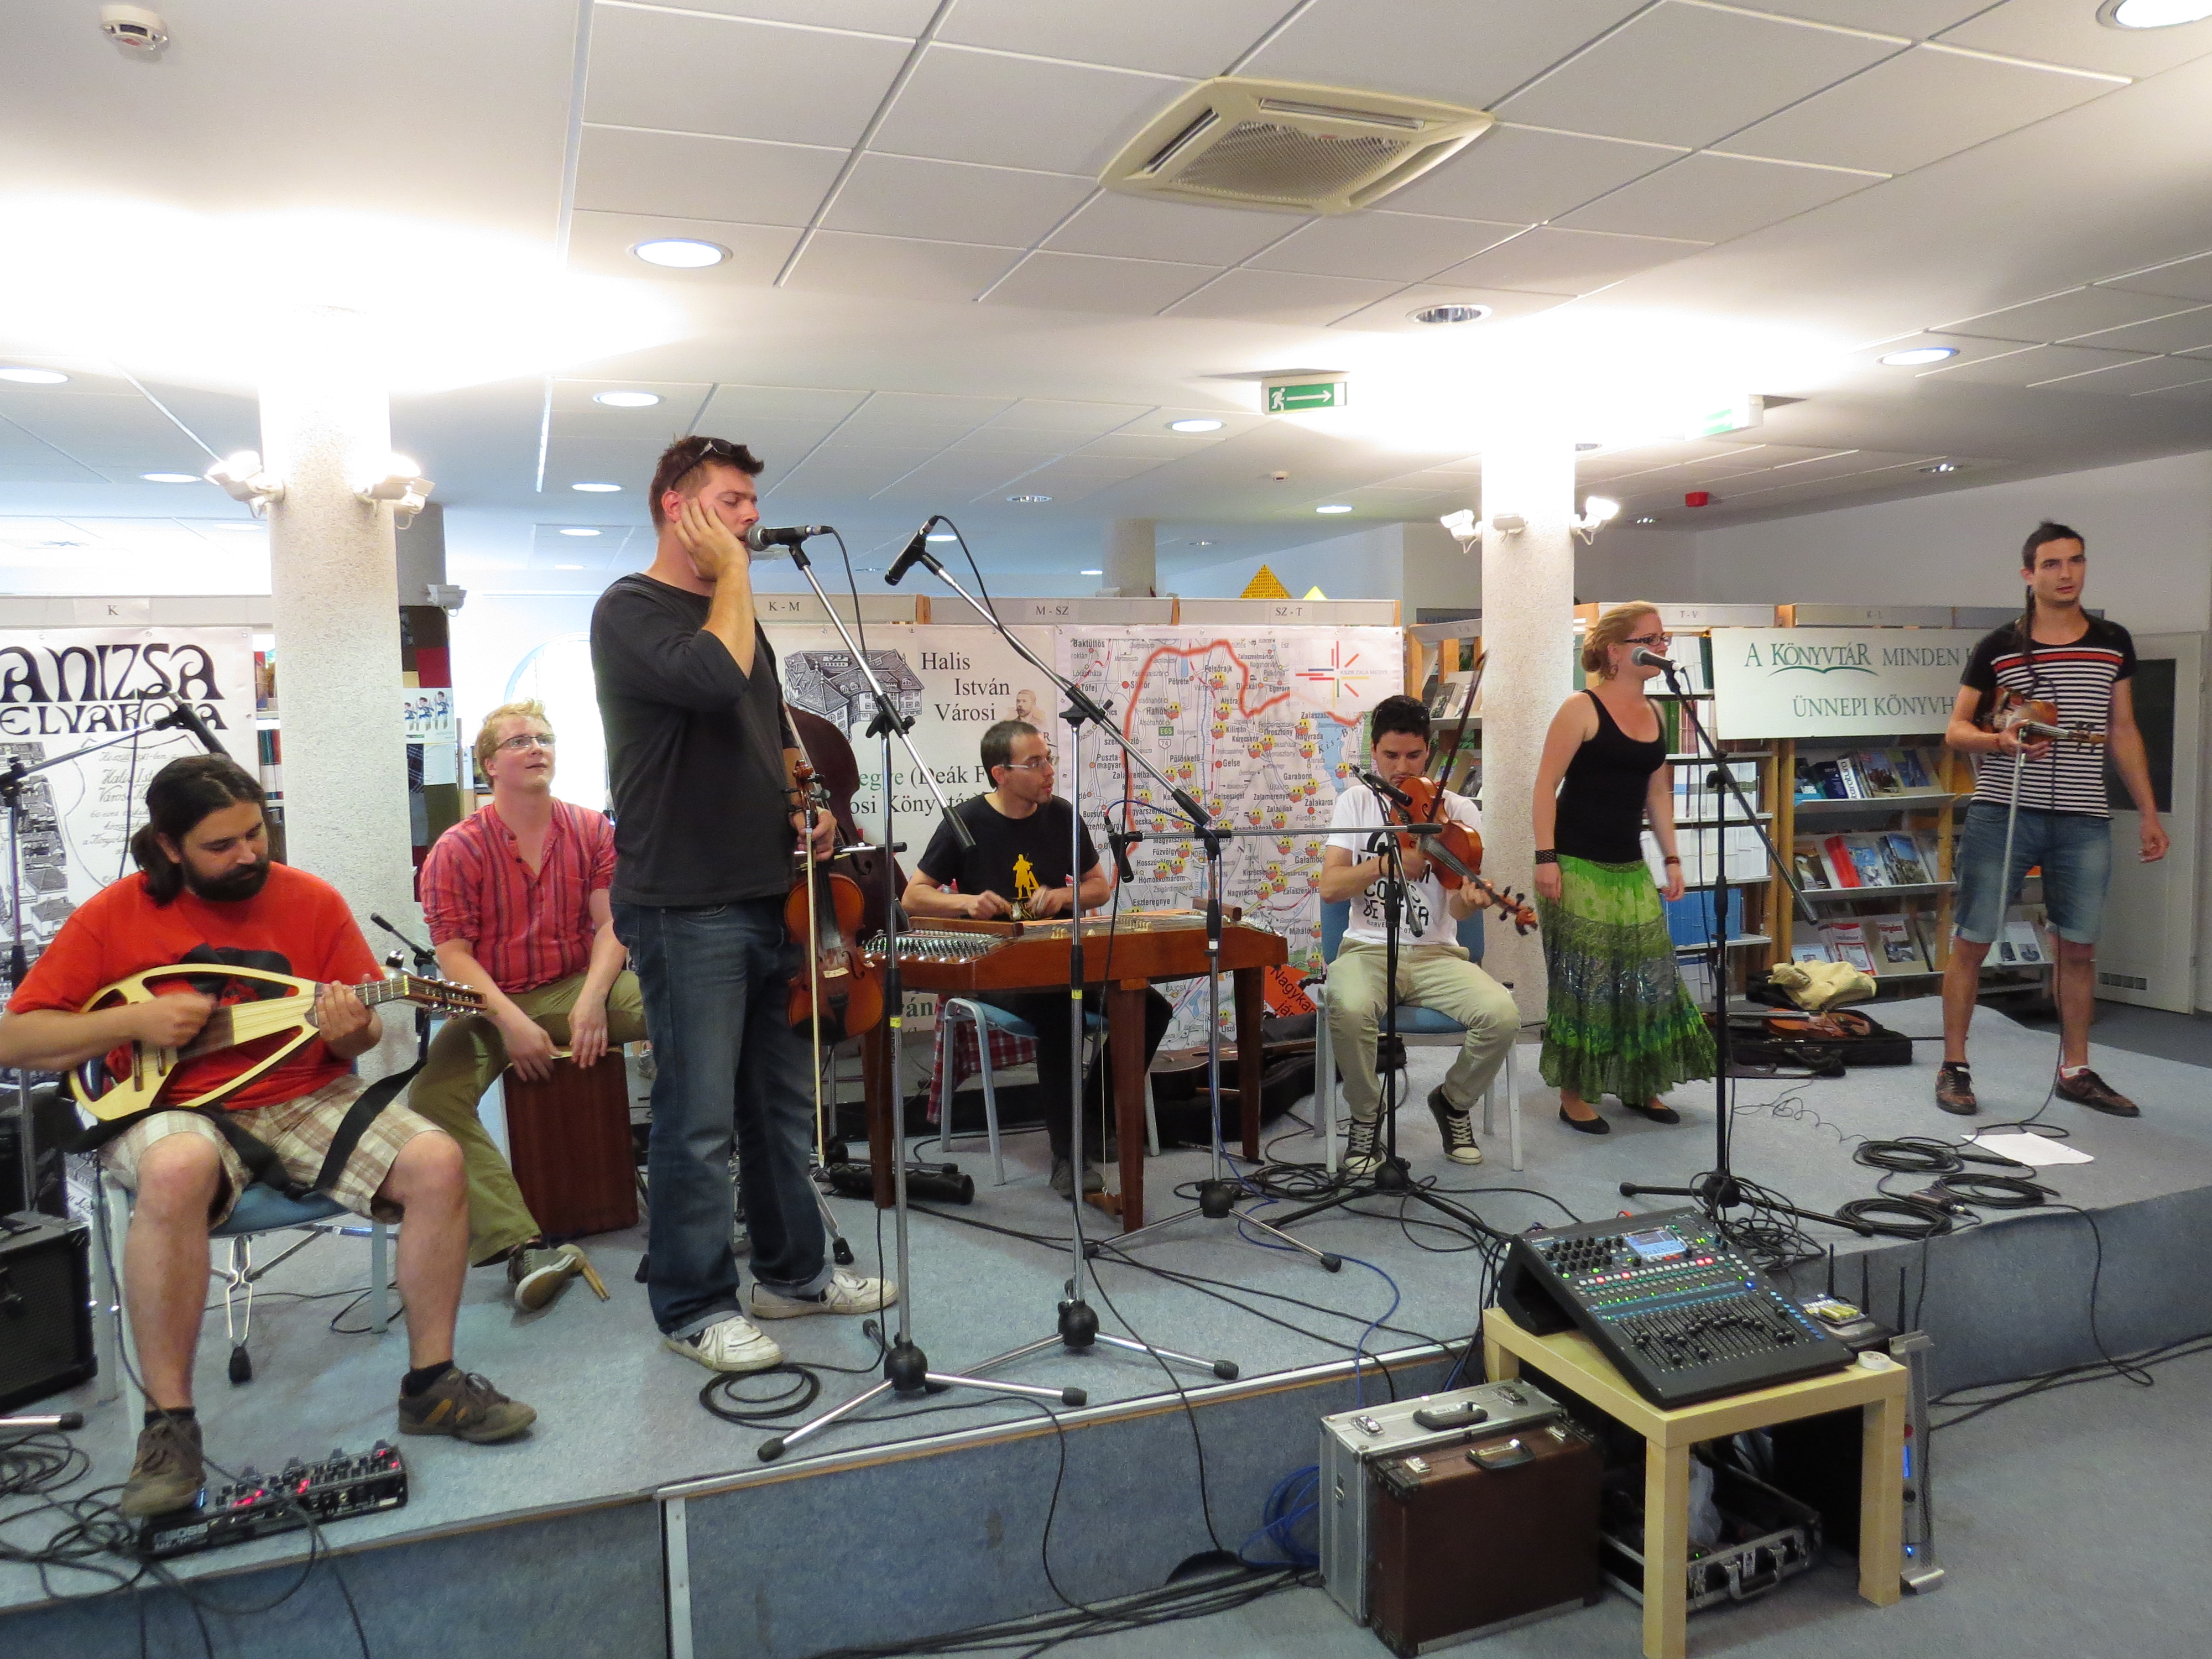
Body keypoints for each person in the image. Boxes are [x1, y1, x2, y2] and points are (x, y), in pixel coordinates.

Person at [0, 756, 533, 1518]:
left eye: (256, 833)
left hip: (303, 1094)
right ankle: (169, 1428)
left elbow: (359, 1039)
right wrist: (134, 1021)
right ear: (170, 846)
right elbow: (16, 1039)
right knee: (177, 1169)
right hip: (170, 1107)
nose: (248, 854)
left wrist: (351, 1029)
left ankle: (431, 1385)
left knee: (437, 1159)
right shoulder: (115, 915)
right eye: (222, 845)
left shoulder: (310, 900)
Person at [592, 435, 892, 1377]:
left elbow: (770, 731)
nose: (752, 518)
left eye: (753, 502)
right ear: (675, 507)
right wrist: (731, 575)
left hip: (772, 898)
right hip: (687, 906)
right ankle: (692, 1307)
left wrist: (811, 806)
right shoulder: (630, 610)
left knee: (782, 1105)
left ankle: (793, 1275)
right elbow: (710, 679)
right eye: (731, 501)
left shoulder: (740, 619)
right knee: (697, 1120)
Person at [413, 698, 647, 1310]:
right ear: (489, 764)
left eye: (544, 738)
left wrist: (592, 1000)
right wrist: (510, 1022)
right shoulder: (456, 849)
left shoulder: (592, 830)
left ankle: (699, 1190)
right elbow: (454, 955)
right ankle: (520, 1242)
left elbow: (611, 926)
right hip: (493, 1002)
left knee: (685, 1013)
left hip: (577, 983)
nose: (536, 747)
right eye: (519, 741)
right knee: (432, 1099)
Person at [1936, 522, 2167, 1117]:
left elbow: (2122, 729)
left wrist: (2147, 811)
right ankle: (1955, 1066)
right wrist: (2000, 741)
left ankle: (2075, 1070)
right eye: (2052, 564)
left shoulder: (2113, 641)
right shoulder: (1998, 645)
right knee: (1972, 940)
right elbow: (1956, 730)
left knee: (2079, 947)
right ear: (2029, 574)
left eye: (2076, 561)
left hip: (2082, 816)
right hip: (2004, 810)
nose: (2066, 574)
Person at [904, 720, 1171, 1196]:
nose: (1049, 771)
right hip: (997, 967)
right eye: (1036, 763)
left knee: (1151, 1007)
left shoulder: (1062, 816)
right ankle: (1068, 1156)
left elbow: (1098, 888)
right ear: (1001, 774)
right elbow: (913, 897)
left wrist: (1063, 897)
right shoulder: (965, 822)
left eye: (1049, 759)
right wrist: (967, 903)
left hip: (1059, 958)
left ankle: (1094, 1115)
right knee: (1060, 1010)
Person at [1531, 603, 1714, 1134]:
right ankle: (1574, 1093)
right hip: (1575, 861)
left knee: (1646, 977)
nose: (1661, 647)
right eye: (1648, 639)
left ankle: (1639, 1083)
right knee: (1586, 982)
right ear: (1615, 650)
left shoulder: (1656, 712)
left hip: (1629, 864)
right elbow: (1545, 786)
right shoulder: (1580, 708)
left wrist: (1672, 857)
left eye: (1663, 638)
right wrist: (1546, 858)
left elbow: (1657, 793)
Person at [1318, 695, 1516, 1175]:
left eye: (1413, 755)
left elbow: (1457, 905)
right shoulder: (1355, 802)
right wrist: (1385, 864)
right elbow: (1330, 887)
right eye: (1391, 756)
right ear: (1374, 751)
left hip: (1437, 955)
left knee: (1502, 1016)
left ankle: (1452, 1102)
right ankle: (1367, 1118)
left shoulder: (1458, 811)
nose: (1402, 768)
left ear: (1429, 752)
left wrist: (1472, 899)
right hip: (1368, 949)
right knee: (1348, 1006)